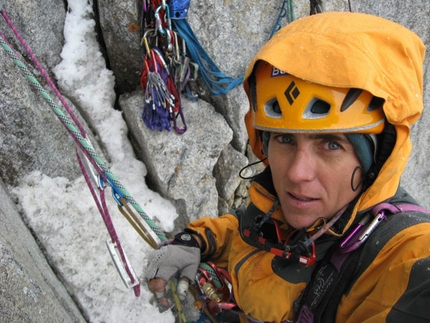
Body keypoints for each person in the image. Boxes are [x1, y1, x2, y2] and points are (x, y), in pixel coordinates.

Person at [145, 11, 430, 323]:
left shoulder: (405, 255)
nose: (296, 173)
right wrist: (194, 241)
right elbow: (243, 233)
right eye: (283, 139)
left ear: (374, 159)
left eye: (331, 144)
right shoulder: (280, 212)